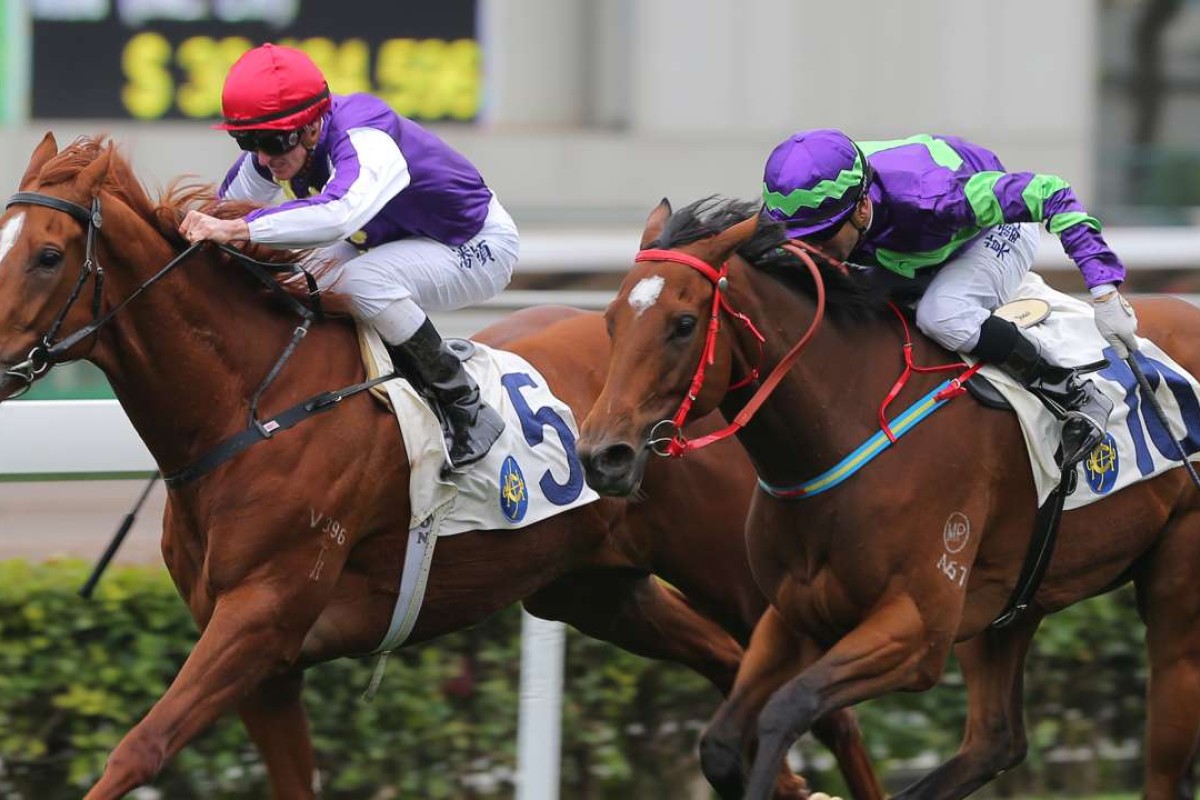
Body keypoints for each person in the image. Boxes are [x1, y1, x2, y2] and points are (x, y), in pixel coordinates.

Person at [180, 43, 516, 471]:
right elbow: (219, 212)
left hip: (474, 244)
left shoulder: (365, 132)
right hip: (394, 241)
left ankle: (465, 406)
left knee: (363, 282)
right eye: (246, 141)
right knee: (300, 279)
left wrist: (240, 228)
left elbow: (341, 214)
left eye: (270, 141)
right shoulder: (278, 149)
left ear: (312, 125)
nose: (263, 157)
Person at [760, 129, 1140, 470]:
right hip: (897, 247)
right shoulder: (798, 208)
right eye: (799, 236)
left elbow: (1052, 192)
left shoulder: (936, 197)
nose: (808, 248)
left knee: (942, 314)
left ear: (861, 208)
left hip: (991, 232)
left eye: (822, 235)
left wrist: (1104, 291)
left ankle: (1073, 391)